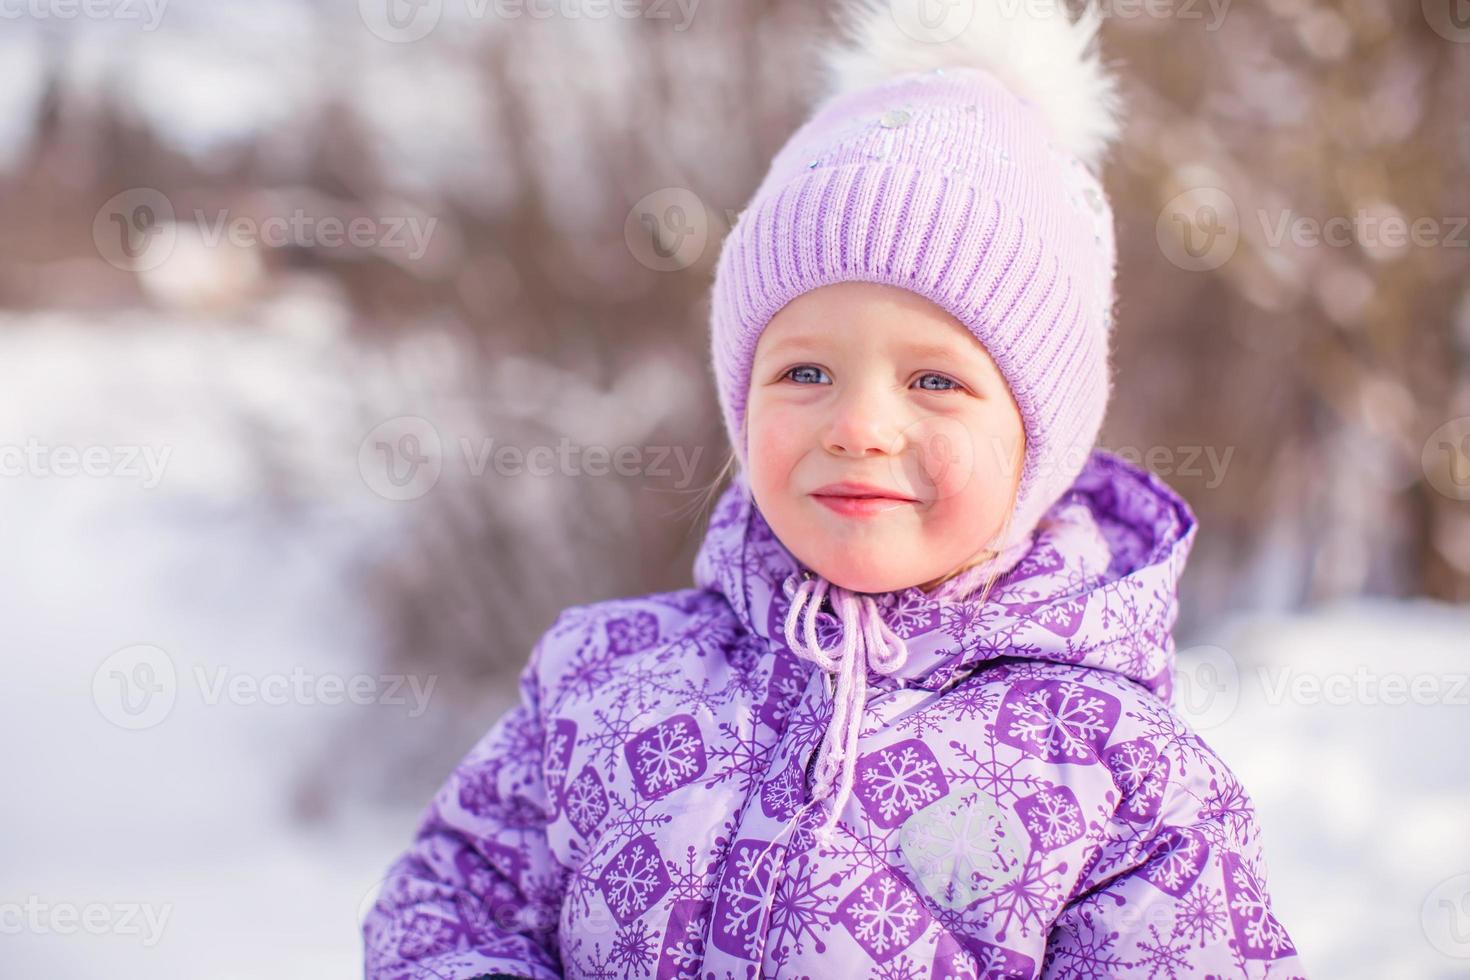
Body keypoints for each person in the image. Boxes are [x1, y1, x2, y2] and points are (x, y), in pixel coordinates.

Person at [363, 1, 1309, 976]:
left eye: (935, 380)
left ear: (1041, 439)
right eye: (805, 372)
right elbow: (451, 896)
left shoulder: (1122, 775)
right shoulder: (603, 679)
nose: (858, 424)